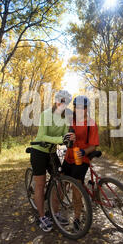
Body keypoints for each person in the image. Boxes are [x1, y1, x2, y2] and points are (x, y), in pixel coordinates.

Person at [30, 90, 75, 232]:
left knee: (60, 180)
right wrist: (60, 140)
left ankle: (54, 213)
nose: (63, 104)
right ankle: (42, 217)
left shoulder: (65, 118)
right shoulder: (46, 115)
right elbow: (42, 135)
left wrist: (68, 139)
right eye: (61, 101)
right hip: (39, 151)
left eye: (66, 102)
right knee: (40, 184)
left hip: (51, 152)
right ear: (56, 101)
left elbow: (63, 135)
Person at [62, 95, 99, 230]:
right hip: (68, 157)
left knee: (76, 188)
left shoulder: (91, 124)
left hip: (81, 160)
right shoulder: (71, 121)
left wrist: (84, 152)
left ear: (86, 108)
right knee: (61, 183)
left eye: (82, 108)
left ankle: (77, 218)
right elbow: (67, 140)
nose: (79, 110)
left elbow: (93, 146)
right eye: (76, 107)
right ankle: (55, 212)